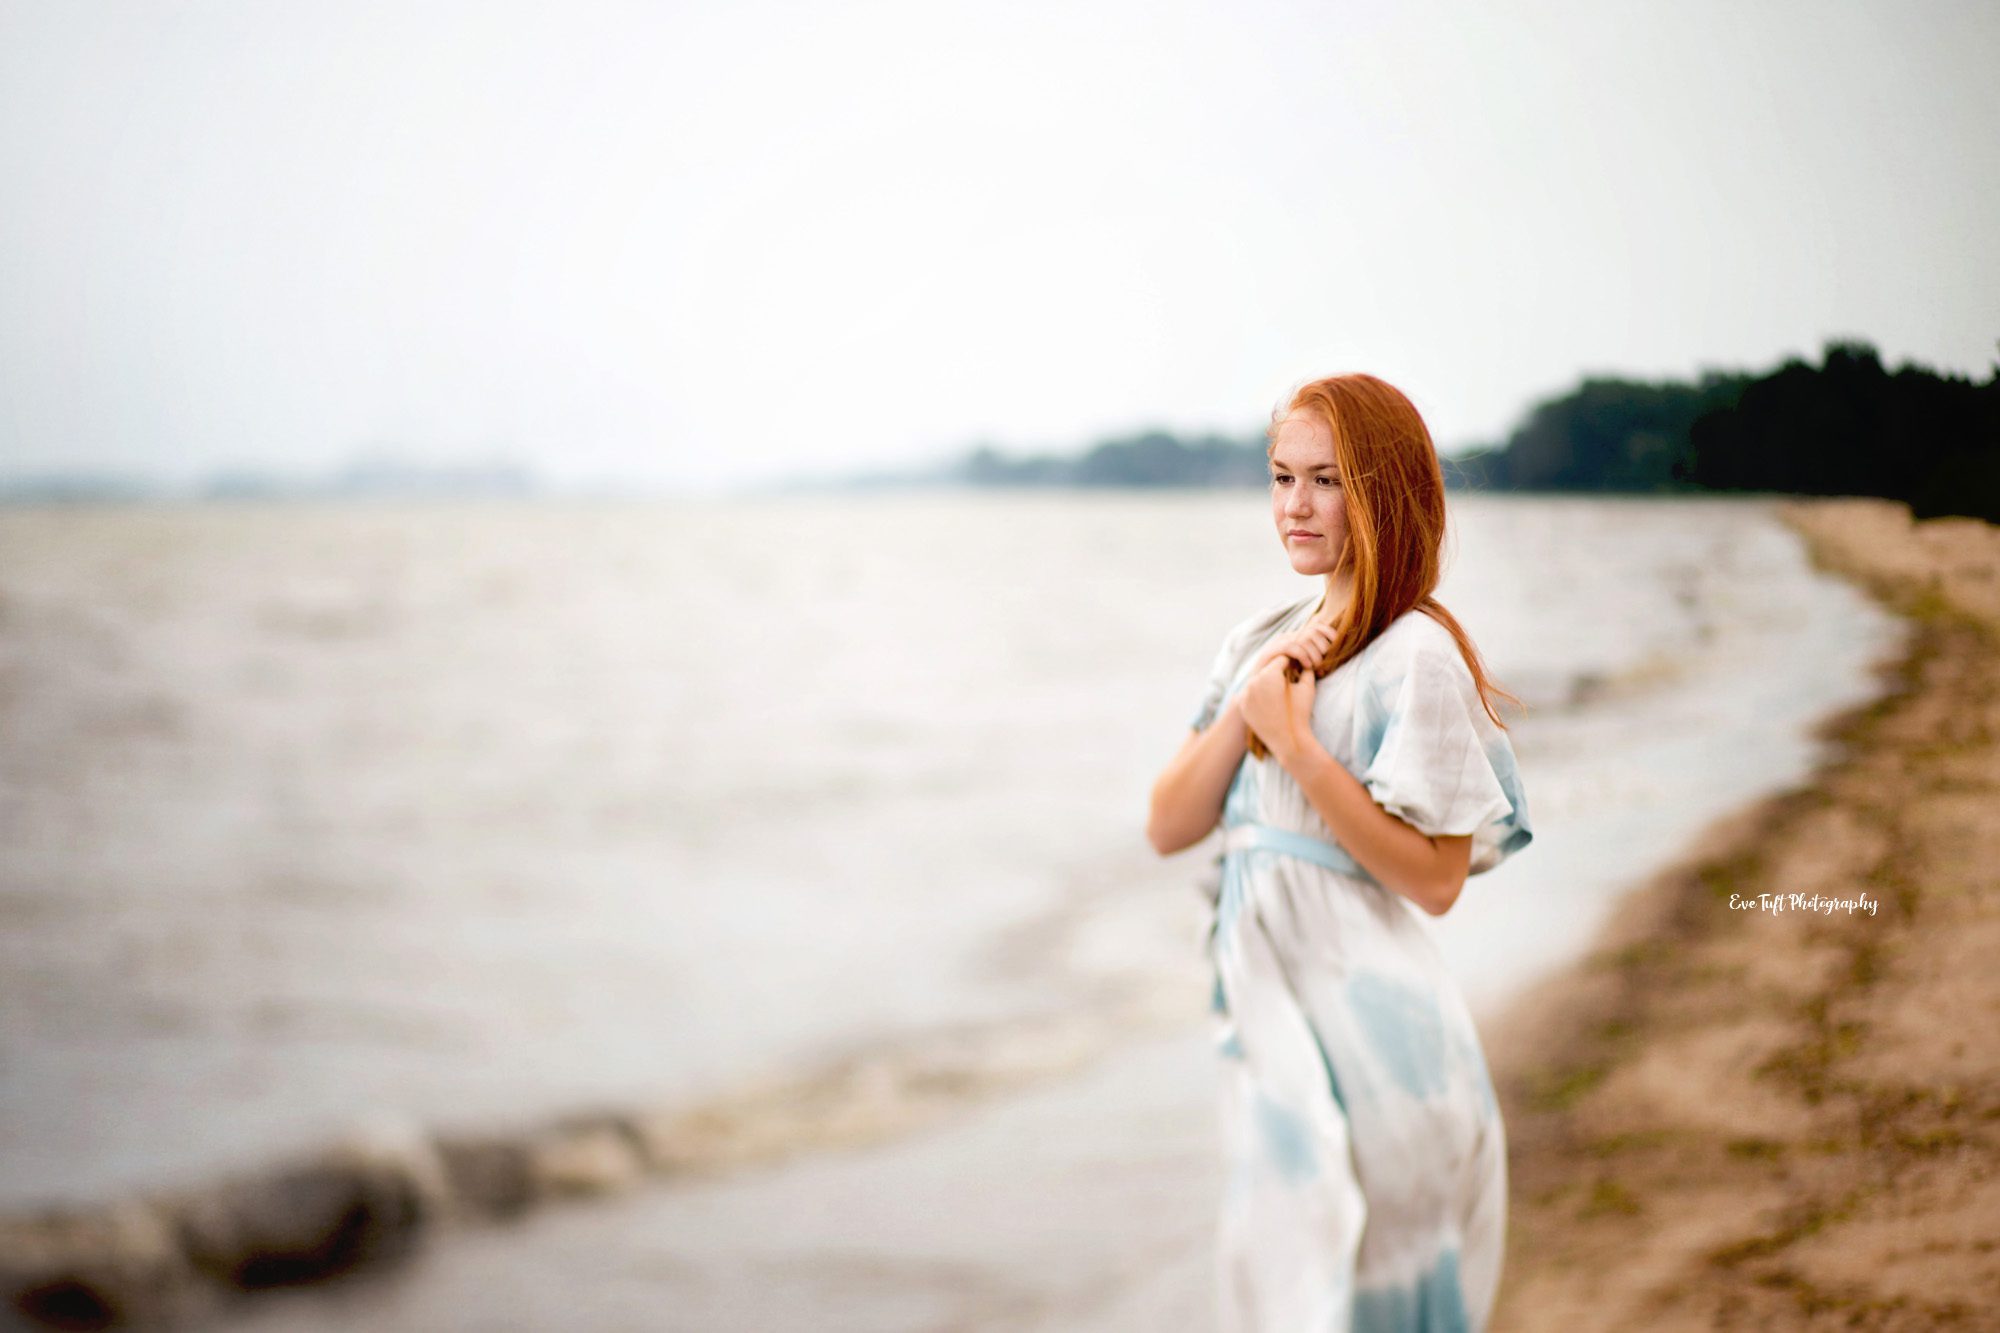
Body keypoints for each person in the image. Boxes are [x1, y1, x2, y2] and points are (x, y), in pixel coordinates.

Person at [1146, 372, 1533, 1331]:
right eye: (1282, 477)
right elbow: (1168, 823)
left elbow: (1437, 880)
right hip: (1276, 1051)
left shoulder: (1416, 656)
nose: (1296, 507)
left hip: (1385, 1055)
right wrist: (1253, 706)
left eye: (1327, 479)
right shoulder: (1258, 644)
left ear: (1385, 491)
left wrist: (1306, 753)